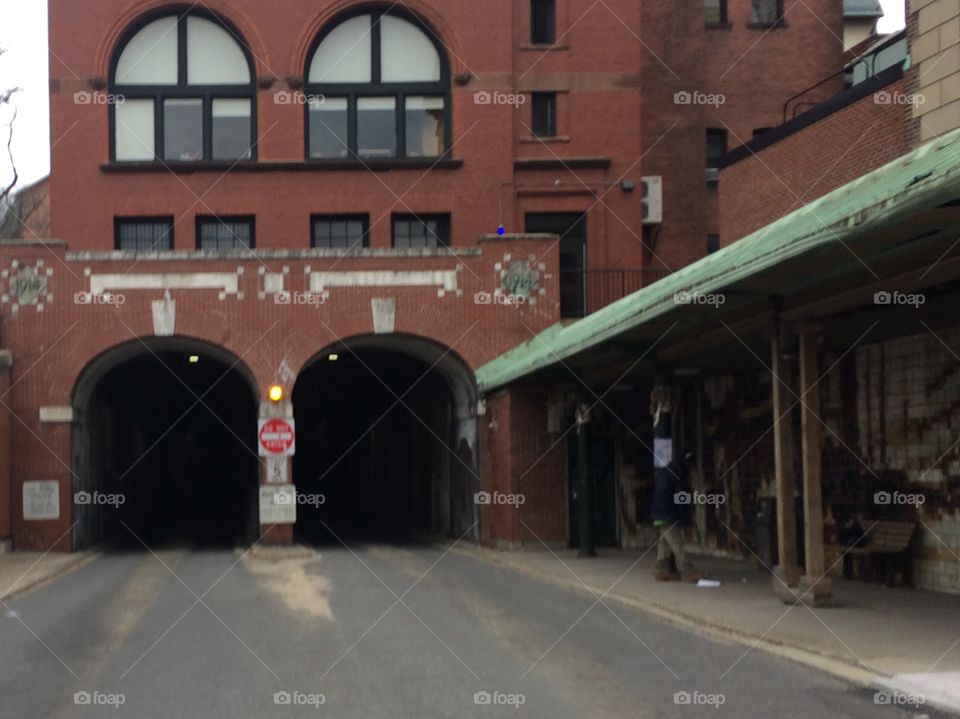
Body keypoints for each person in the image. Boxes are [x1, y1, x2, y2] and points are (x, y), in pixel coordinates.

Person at [651, 458, 704, 582]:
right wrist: (686, 520)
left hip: (659, 515)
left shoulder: (665, 473)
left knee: (664, 546)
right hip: (668, 516)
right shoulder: (677, 476)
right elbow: (681, 500)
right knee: (677, 544)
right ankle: (688, 571)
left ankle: (661, 571)